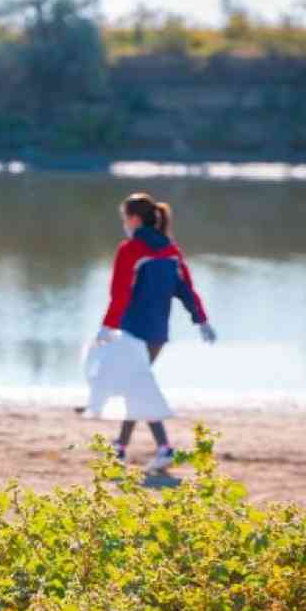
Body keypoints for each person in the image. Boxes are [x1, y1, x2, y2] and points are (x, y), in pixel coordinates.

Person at [99, 193, 217, 472]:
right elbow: (185, 289)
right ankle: (120, 447)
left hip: (131, 331)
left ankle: (163, 448)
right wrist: (201, 320)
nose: (124, 224)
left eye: (124, 218)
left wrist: (107, 325)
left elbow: (119, 292)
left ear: (135, 219)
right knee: (135, 384)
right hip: (157, 334)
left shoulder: (130, 250)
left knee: (136, 385)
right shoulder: (171, 250)